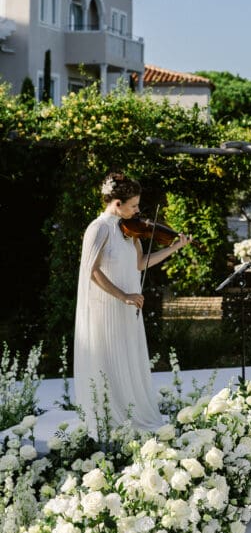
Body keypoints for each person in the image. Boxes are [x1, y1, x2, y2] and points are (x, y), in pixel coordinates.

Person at [73, 171, 191, 437]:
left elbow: (140, 264)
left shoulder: (129, 230)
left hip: (128, 308)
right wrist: (123, 295)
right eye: (134, 205)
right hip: (107, 307)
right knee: (109, 360)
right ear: (117, 204)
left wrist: (175, 248)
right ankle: (111, 416)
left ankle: (130, 409)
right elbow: (91, 272)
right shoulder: (98, 228)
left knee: (127, 359)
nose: (138, 211)